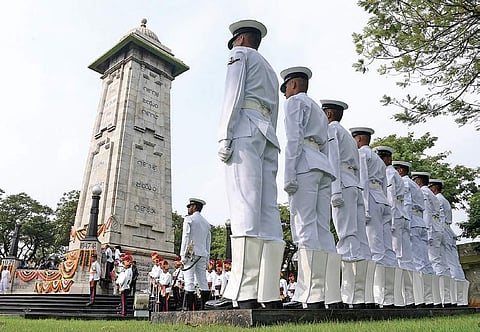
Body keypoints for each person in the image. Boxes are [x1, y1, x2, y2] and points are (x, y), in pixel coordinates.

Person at [216, 19, 284, 310]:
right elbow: (277, 110)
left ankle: (241, 294)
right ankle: (268, 294)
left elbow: (233, 96)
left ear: (240, 39)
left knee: (243, 208)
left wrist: (224, 135)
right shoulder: (270, 69)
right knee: (268, 215)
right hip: (267, 134)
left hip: (244, 129)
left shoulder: (239, 56)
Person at [280, 66, 339, 309]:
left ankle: (307, 294)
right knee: (323, 231)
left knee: (304, 228)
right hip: (322, 167)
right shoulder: (317, 108)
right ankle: (329, 294)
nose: (285, 95)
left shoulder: (295, 103)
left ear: (292, 85)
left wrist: (288, 174)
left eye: (285, 90)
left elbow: (293, 139)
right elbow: (325, 145)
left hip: (304, 163)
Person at [322, 100, 372, 309]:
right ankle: (364, 297)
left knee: (347, 238)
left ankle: (351, 296)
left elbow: (333, 159)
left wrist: (334, 190)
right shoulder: (350, 139)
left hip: (342, 184)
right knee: (360, 241)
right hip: (355, 187)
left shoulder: (333, 129)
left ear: (329, 115)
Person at [350, 127, 397, 308]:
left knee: (375, 249)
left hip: (371, 200)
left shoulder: (363, 154)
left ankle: (378, 297)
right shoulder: (378, 160)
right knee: (387, 251)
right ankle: (390, 297)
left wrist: (365, 208)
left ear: (359, 139)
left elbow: (362, 181)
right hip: (383, 201)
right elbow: (385, 186)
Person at [374, 146, 414, 308]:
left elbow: (389, 196)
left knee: (392, 254)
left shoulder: (389, 173)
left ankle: (393, 297)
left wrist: (388, 217)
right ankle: (407, 298)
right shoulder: (396, 175)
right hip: (401, 214)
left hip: (394, 214)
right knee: (404, 257)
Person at [392, 161, 431, 307]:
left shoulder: (406, 183)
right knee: (424, 262)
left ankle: (419, 299)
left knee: (415, 260)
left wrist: (405, 222)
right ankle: (427, 298)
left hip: (411, 221)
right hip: (419, 221)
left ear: (401, 170)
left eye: (396, 169)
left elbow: (406, 203)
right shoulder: (414, 185)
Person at [411, 171, 443, 307]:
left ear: (418, 181)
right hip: (431, 227)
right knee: (428, 262)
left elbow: (427, 212)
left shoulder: (424, 192)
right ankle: (432, 298)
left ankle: (424, 298)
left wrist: (428, 230)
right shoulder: (431, 194)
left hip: (425, 226)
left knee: (421, 261)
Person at [180, 198, 211, 310]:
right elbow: (208, 242)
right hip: (202, 254)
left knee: (189, 281)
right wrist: (207, 258)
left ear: (194, 207)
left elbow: (186, 238)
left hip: (190, 254)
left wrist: (183, 256)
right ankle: (205, 307)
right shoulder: (206, 223)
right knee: (203, 281)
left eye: (190, 206)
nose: (188, 208)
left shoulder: (189, 220)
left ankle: (187, 308)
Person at [428, 178, 453, 306]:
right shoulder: (443, 199)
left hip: (438, 228)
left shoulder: (438, 199)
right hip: (443, 230)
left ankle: (442, 297)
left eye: (431, 187)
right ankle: (449, 298)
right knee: (446, 263)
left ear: (435, 188)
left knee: (435, 261)